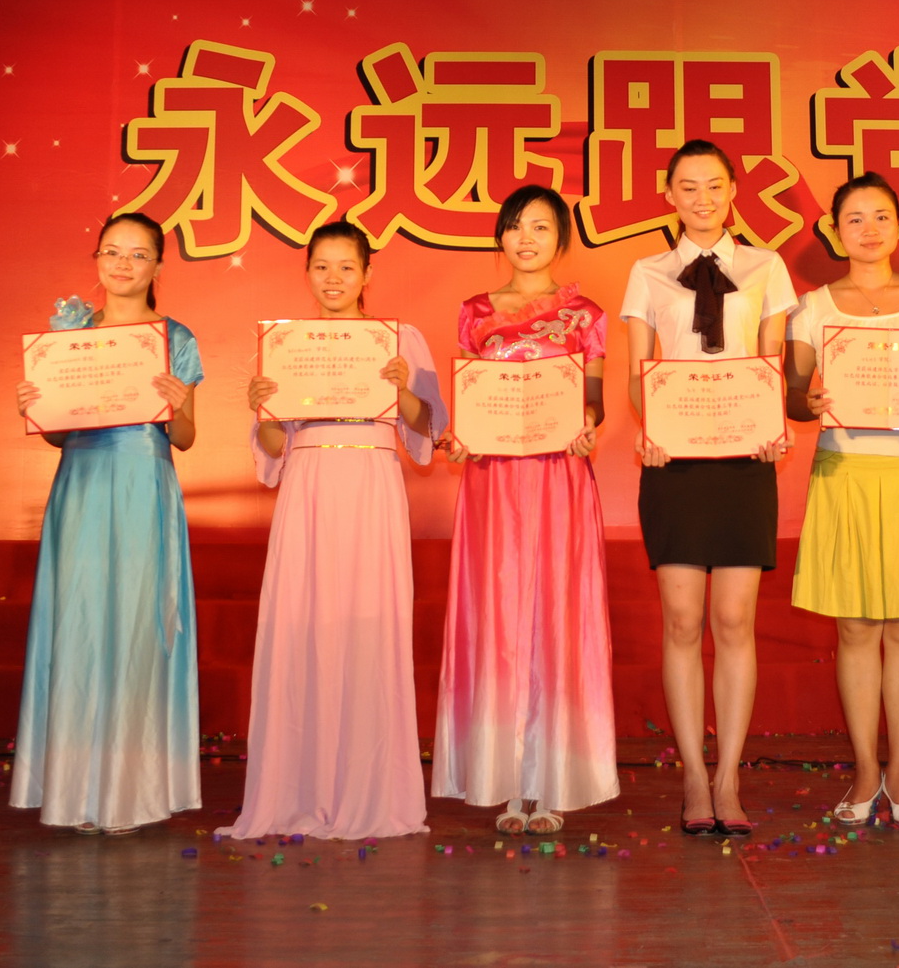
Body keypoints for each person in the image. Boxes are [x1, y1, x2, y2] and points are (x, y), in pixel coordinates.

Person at [218, 221, 444, 841]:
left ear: (368, 273)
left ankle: (372, 793)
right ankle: (299, 790)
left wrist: (402, 389)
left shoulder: (399, 338)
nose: (334, 278)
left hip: (373, 482)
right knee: (305, 626)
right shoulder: (287, 345)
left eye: (347, 266)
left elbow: (428, 429)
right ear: (307, 272)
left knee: (371, 630)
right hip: (309, 487)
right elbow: (273, 447)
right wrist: (263, 407)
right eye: (322, 266)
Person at [620, 140, 796, 836]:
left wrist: (774, 425)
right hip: (675, 462)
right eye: (687, 187)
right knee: (682, 620)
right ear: (669, 194)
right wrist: (649, 426)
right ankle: (694, 773)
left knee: (734, 620)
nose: (702, 199)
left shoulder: (766, 265)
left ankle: (730, 777)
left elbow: (772, 361)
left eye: (714, 185)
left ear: (732, 193)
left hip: (745, 460)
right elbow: (639, 371)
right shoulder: (647, 273)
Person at [783, 173, 899, 830]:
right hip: (847, 472)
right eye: (854, 219)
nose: (869, 229)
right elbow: (793, 396)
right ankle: (866, 767)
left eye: (881, 216)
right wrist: (807, 400)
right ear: (834, 232)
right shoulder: (811, 307)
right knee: (856, 628)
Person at [433, 185, 618, 836]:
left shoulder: (585, 315)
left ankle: (554, 779)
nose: (527, 238)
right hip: (494, 482)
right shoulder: (475, 312)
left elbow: (594, 398)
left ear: (561, 237)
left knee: (556, 616)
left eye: (541, 226)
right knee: (500, 617)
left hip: (558, 478)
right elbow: (471, 396)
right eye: (515, 226)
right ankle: (507, 780)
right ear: (500, 237)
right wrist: (459, 437)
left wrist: (588, 423)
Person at [11, 212, 203, 836]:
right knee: (81, 626)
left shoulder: (174, 337)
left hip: (144, 485)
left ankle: (128, 794)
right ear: (96, 258)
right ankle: (75, 792)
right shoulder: (71, 333)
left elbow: (185, 437)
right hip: (83, 485)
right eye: (112, 252)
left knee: (136, 629)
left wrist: (177, 406)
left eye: (138, 254)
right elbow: (59, 433)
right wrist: (36, 408)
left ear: (158, 266)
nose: (123, 264)